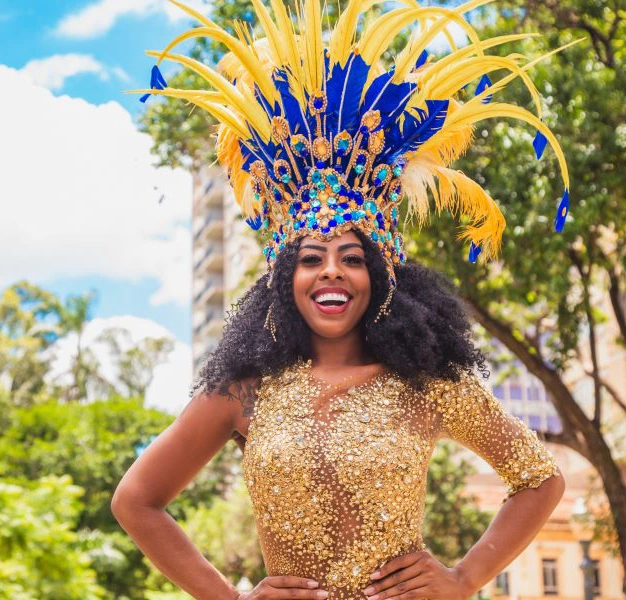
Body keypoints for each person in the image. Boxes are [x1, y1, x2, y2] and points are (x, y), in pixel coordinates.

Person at [113, 1, 574, 598]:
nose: (332, 272)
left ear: (379, 277)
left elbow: (539, 479)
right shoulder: (246, 390)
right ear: (286, 279)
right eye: (311, 259)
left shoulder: (428, 383)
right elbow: (138, 502)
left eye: (353, 258)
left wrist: (465, 577)